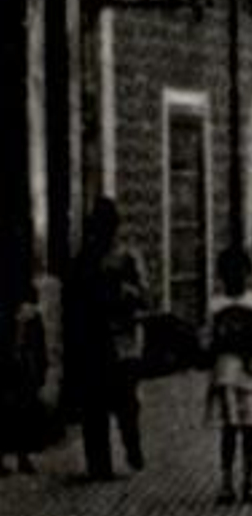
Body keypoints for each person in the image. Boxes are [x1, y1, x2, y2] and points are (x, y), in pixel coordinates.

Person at [65, 196, 148, 481]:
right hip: (93, 338)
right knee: (94, 404)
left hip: (122, 337)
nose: (103, 231)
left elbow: (143, 295)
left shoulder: (127, 256)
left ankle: (131, 445)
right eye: (98, 225)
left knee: (126, 401)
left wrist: (126, 293)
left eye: (108, 225)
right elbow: (73, 300)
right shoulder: (83, 260)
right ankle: (98, 463)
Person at [202, 245, 252, 507]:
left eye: (240, 272)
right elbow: (206, 338)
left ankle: (250, 481)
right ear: (222, 275)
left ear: (248, 273)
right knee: (229, 427)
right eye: (229, 272)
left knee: (250, 427)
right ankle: (226, 483)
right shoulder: (216, 305)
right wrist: (214, 345)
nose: (235, 277)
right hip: (226, 372)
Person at [0, 283, 47, 475]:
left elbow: (38, 342)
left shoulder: (30, 316)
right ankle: (16, 456)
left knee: (20, 410)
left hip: (21, 364)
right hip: (9, 362)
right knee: (9, 410)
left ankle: (21, 456)